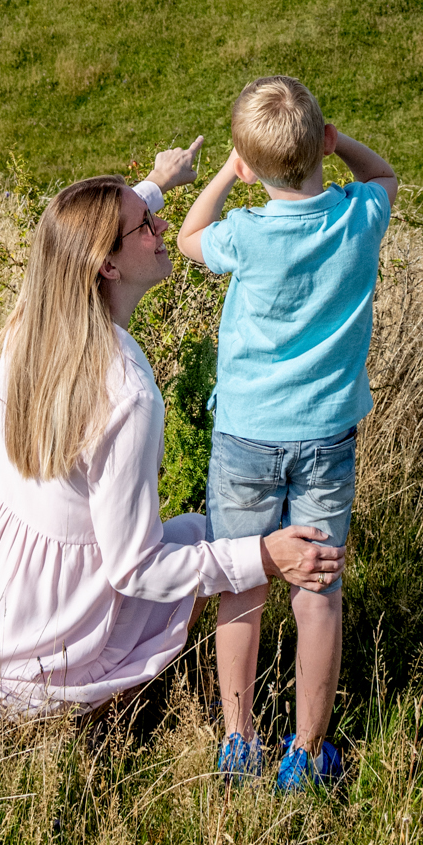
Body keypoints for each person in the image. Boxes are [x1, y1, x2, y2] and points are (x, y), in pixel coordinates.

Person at [0, 139, 342, 719]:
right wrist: (262, 556)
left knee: (191, 539)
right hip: (48, 620)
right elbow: (135, 568)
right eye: (147, 225)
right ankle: (104, 713)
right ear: (108, 266)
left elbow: (69, 244)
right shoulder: (128, 396)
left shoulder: (32, 321)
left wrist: (157, 183)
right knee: (199, 535)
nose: (163, 226)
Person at [175, 76, 397, 790]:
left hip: (245, 434)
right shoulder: (360, 215)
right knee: (318, 589)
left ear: (249, 166)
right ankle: (305, 751)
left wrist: (224, 172)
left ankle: (238, 740)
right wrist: (340, 144)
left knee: (242, 583)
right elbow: (384, 173)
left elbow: (188, 238)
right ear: (323, 146)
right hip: (328, 434)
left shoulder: (243, 233)